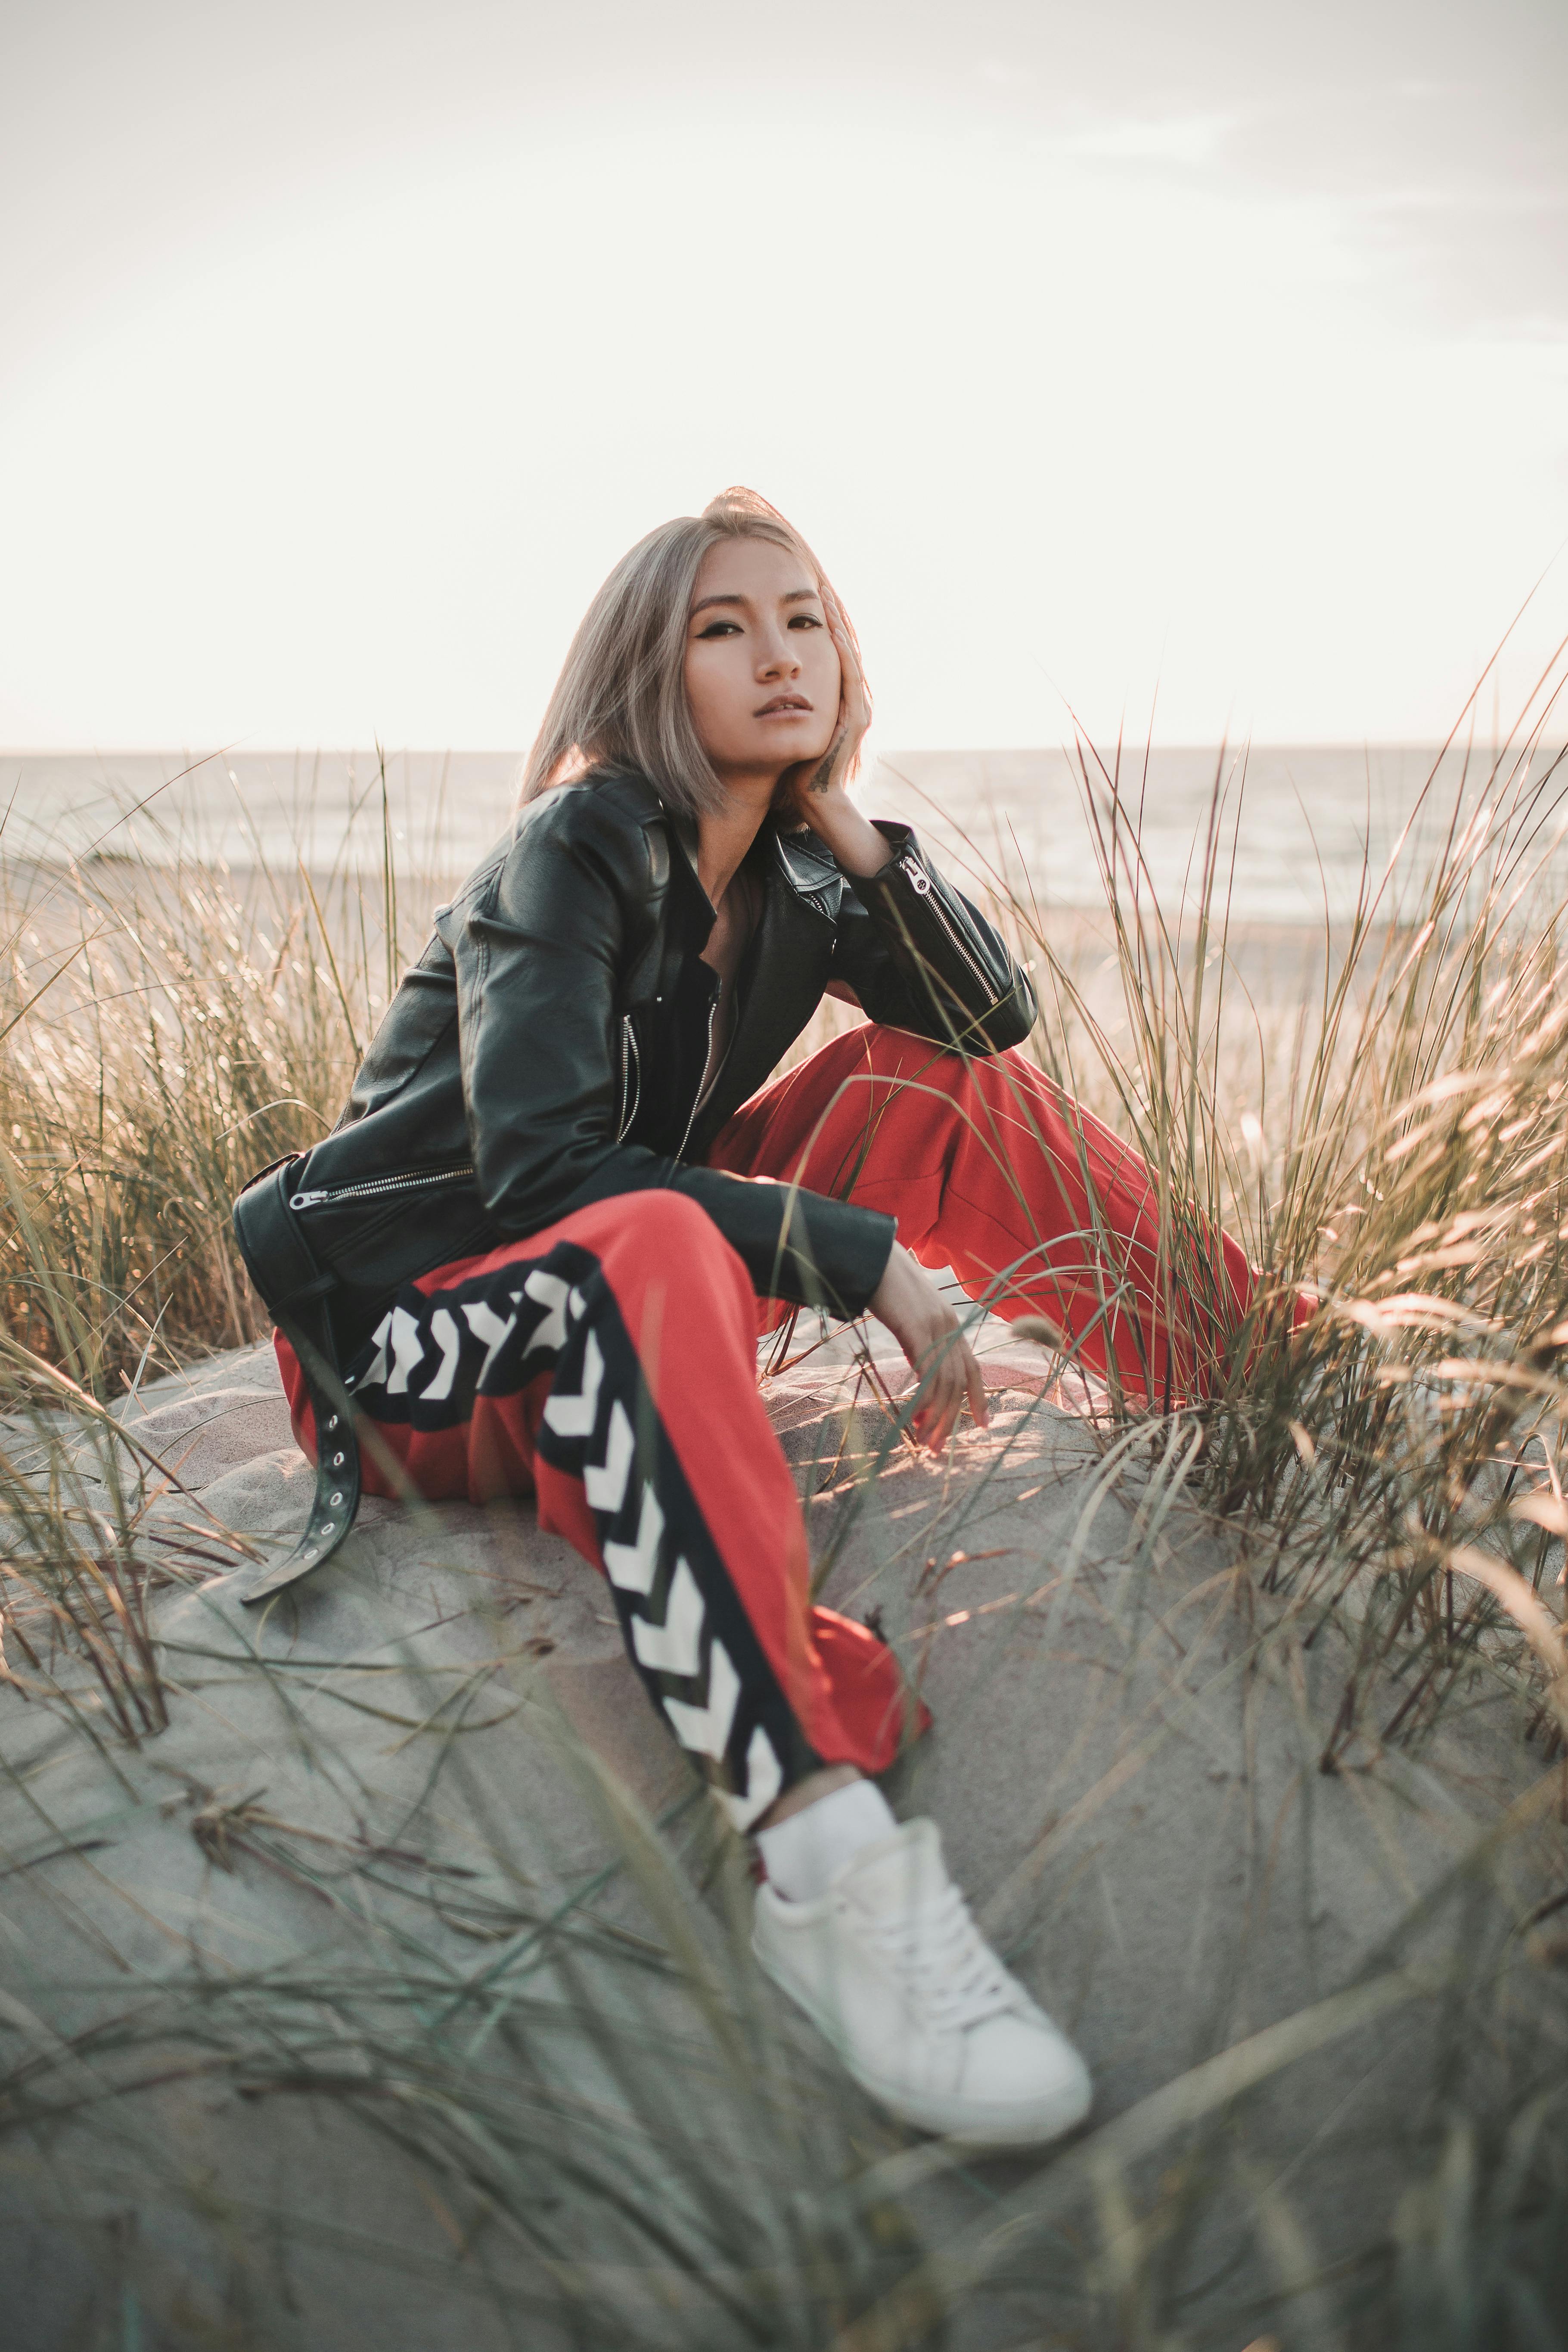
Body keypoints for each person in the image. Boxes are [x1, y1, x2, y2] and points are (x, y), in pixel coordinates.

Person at [241, 488, 1273, 2149]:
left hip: (622, 1277)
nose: (778, 652)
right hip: (410, 1344)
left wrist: (860, 834)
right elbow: (540, 1178)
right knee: (643, 1226)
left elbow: (979, 1029)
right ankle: (824, 1862)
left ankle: (1260, 1366)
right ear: (651, 672)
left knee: (902, 1082)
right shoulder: (568, 851)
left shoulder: (796, 870)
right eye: (725, 627)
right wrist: (846, 1251)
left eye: (804, 619)